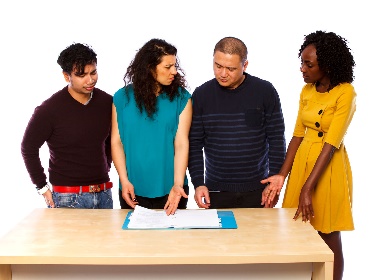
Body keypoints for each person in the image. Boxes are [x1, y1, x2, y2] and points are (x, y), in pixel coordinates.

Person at [261, 31, 356, 280]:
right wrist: (282, 176)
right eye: (302, 62)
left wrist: (308, 188)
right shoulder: (307, 91)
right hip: (303, 163)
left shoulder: (346, 93)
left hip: (328, 168)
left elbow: (332, 143)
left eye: (308, 64)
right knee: (295, 229)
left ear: (327, 65)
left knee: (328, 233)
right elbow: (297, 136)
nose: (302, 69)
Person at [188, 36, 286, 209]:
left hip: (258, 189)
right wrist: (198, 183)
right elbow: (194, 144)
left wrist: (274, 181)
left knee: (257, 236)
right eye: (218, 66)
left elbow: (276, 138)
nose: (223, 74)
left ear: (245, 65)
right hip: (215, 191)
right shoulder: (202, 94)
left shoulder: (265, 91)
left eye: (231, 68)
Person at [21, 43, 113, 209]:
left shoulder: (107, 102)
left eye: (93, 72)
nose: (90, 80)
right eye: (81, 75)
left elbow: (112, 140)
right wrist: (42, 186)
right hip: (67, 198)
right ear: (66, 76)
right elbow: (28, 148)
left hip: (104, 194)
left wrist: (107, 164)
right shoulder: (49, 110)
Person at [111, 38, 192, 215]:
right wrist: (124, 181)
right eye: (167, 67)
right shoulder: (121, 98)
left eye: (175, 65)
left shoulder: (182, 98)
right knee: (135, 243)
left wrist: (178, 184)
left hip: (172, 191)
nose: (174, 71)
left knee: (173, 243)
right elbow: (116, 142)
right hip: (131, 189)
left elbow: (181, 143)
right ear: (149, 67)